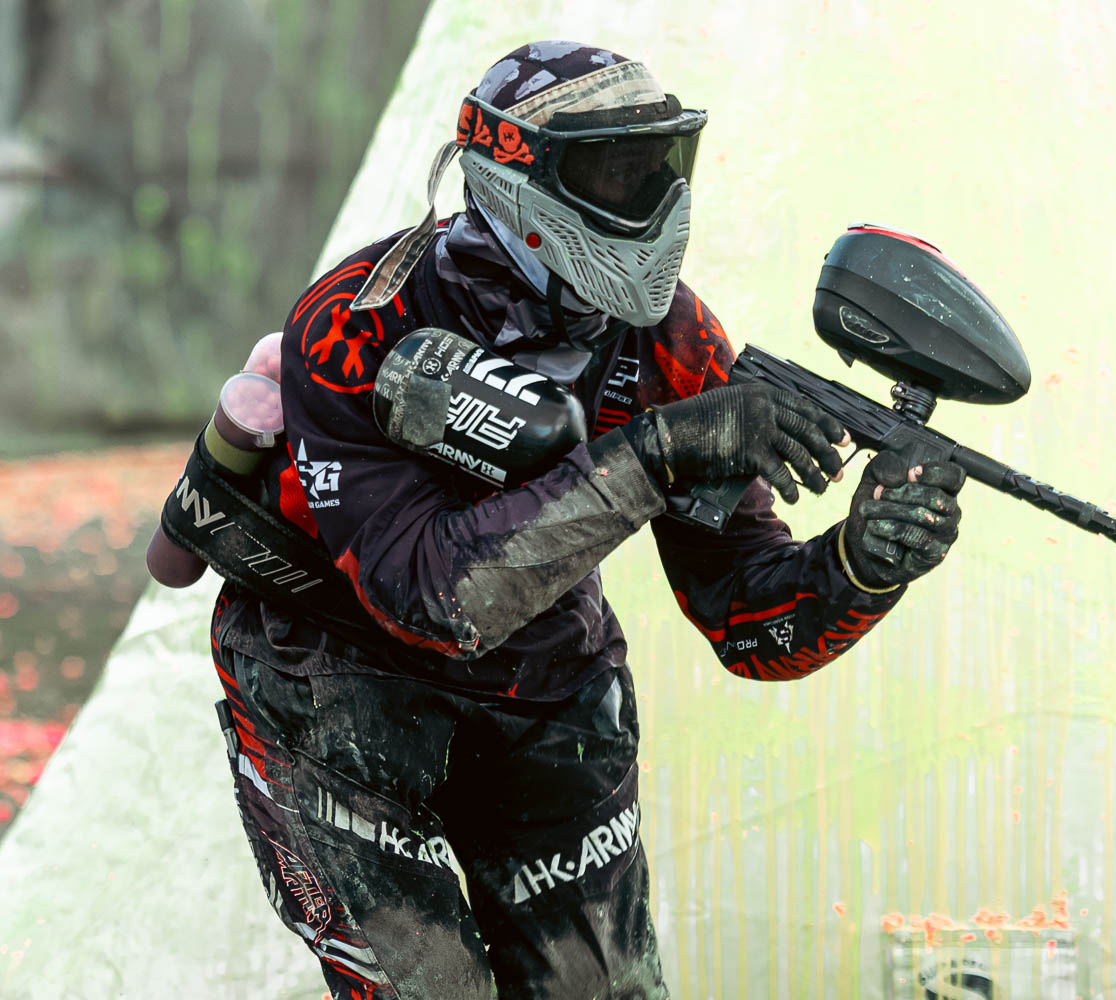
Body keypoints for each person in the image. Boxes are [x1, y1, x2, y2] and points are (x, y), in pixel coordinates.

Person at [209, 40, 967, 999]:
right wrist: (658, 453)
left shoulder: (673, 340)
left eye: (666, 165)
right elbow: (432, 599)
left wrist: (862, 564)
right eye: (618, 171)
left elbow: (745, 618)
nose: (658, 201)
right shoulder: (358, 323)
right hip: (330, 691)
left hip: (543, 687)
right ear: (516, 180)